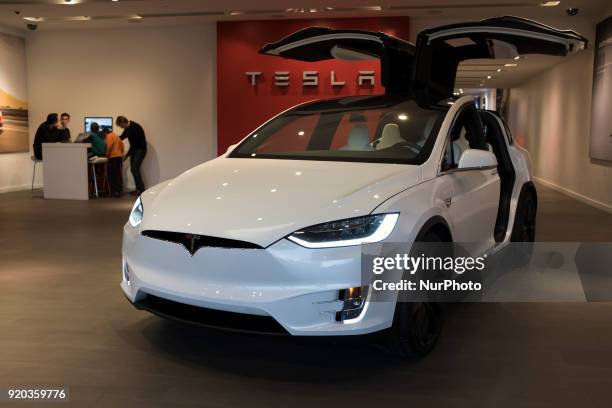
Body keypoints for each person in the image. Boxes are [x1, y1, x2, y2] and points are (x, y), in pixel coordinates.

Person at [116, 116, 147, 195]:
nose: (121, 127)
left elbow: (134, 145)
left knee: (134, 169)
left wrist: (126, 156)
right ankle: (139, 189)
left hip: (140, 150)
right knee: (134, 169)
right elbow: (121, 137)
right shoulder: (127, 128)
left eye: (120, 125)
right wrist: (112, 137)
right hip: (135, 150)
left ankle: (141, 189)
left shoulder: (134, 128)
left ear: (123, 122)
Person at [104, 128, 124, 197]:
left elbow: (110, 145)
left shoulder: (109, 136)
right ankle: (119, 190)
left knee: (112, 175)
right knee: (118, 174)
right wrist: (121, 153)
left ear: (105, 133)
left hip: (113, 157)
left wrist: (107, 154)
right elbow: (122, 145)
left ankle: (114, 192)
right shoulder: (116, 136)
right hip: (119, 157)